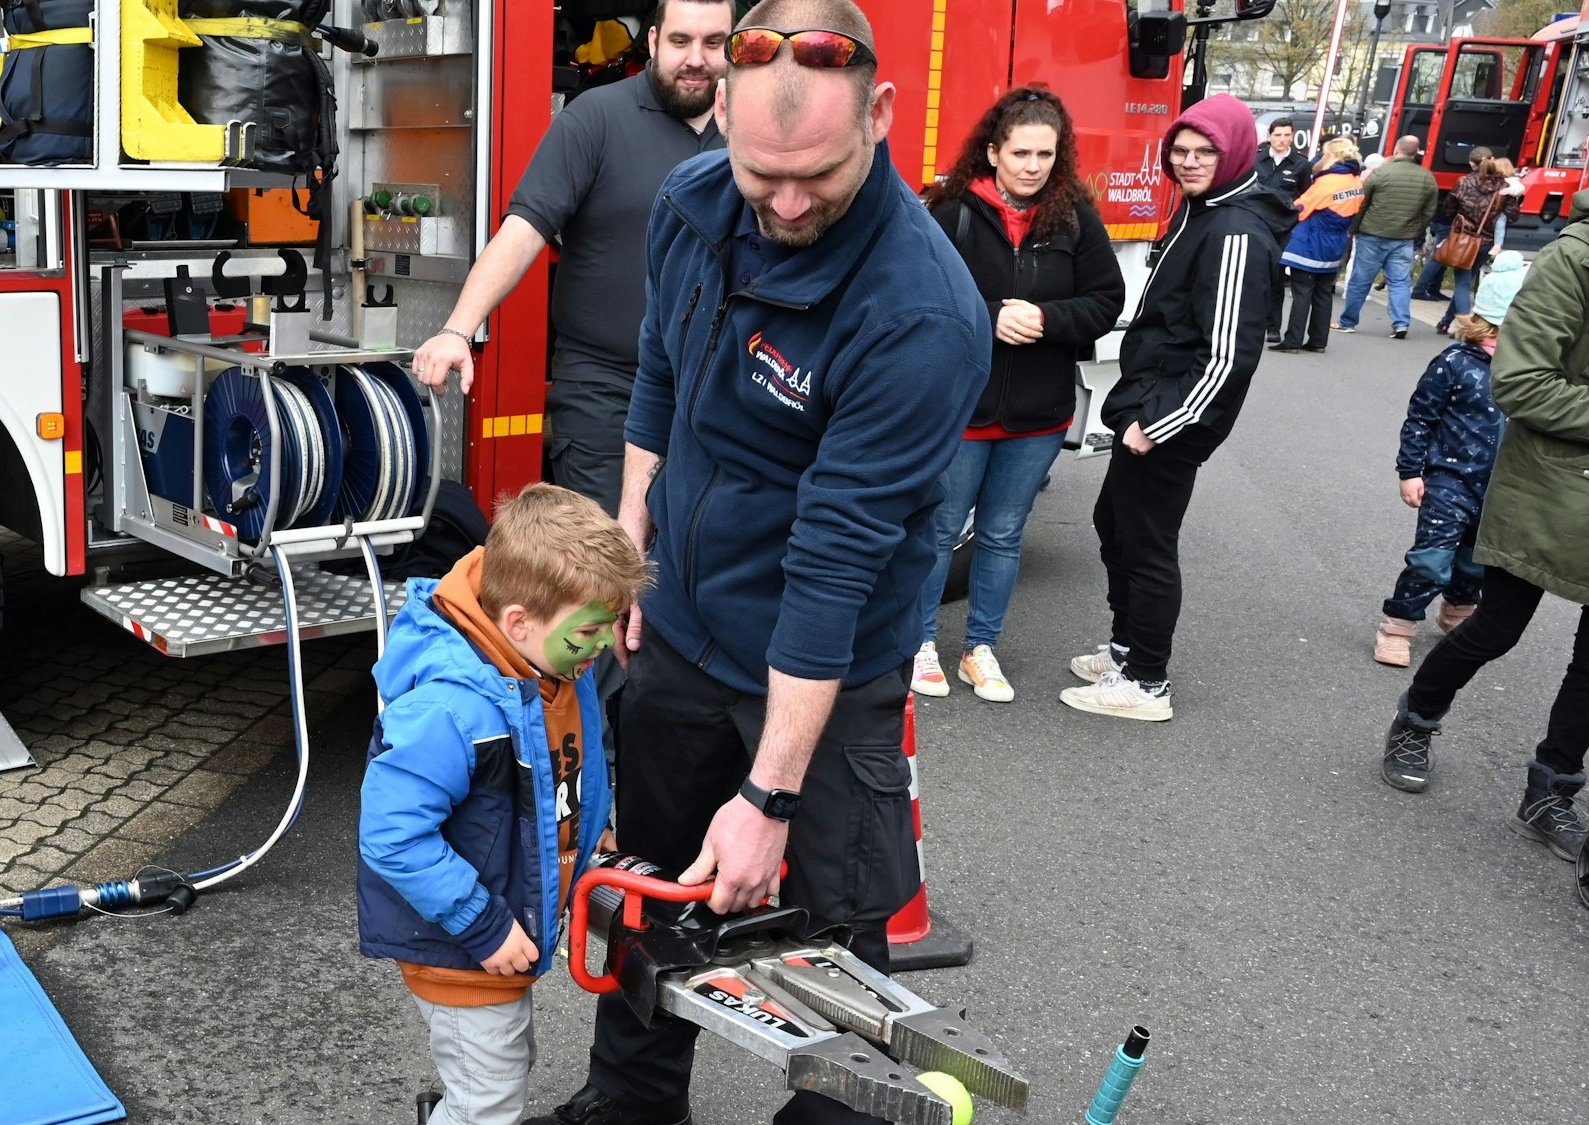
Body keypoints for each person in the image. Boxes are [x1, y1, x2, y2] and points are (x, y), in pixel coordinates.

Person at [530, 3, 990, 1123]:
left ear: (880, 115)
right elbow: (658, 367)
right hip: (683, 629)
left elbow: (833, 566)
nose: (786, 205)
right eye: (761, 175)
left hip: (825, 678)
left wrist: (768, 792)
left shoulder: (918, 312)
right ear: (720, 112)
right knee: (650, 891)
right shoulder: (694, 203)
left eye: (818, 178)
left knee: (836, 948)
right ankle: (628, 1109)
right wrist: (632, 529)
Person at [357, 483, 650, 1125]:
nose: (603, 644)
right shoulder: (452, 708)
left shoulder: (554, 663)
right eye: (591, 631)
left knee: (498, 1072)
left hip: (490, 936)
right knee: (488, 1098)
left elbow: (564, 763)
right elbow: (392, 836)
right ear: (518, 621)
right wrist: (482, 924)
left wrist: (587, 824)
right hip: (463, 947)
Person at [410, 0, 732, 516]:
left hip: (719, 394)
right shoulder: (597, 118)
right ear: (652, 42)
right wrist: (457, 330)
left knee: (695, 569)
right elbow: (524, 228)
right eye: (680, 41)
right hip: (607, 394)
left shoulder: (753, 132)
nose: (696, 58)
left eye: (713, 43)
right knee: (603, 573)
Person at [1058, 93, 1295, 722]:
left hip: (1170, 420)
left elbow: (1227, 355)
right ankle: (1125, 649)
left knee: (1147, 543)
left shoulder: (1237, 231)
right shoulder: (1200, 210)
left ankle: (1147, 683)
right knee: (1115, 525)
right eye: (1181, 151)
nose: (1189, 162)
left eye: (1204, 152)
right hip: (1149, 406)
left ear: (1235, 152)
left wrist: (1158, 428)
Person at [1378, 188, 1589, 869]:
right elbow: (1522, 383)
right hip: (1552, 489)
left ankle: (1551, 788)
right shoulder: (1572, 261)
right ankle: (1416, 720)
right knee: (1496, 627)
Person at [907, 86, 1123, 703]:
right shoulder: (950, 212)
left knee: (1002, 535)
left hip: (1038, 414)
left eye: (1045, 154)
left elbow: (1107, 301)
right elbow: (918, 296)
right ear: (993, 152)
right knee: (941, 528)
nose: (1033, 166)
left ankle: (981, 649)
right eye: (1021, 152)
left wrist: (1049, 320)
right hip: (963, 410)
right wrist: (989, 314)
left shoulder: (1076, 219)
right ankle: (920, 643)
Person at [1373, 251, 1526, 667]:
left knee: (1476, 559)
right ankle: (1399, 624)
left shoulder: (1529, 373)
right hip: (1449, 480)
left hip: (1502, 485)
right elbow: (1420, 419)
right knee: (1432, 559)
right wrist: (1410, 471)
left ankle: (1458, 608)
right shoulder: (1456, 364)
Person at [1336, 135, 1439, 339]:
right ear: (1416, 152)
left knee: (1360, 280)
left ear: (1396, 149)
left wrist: (1354, 228)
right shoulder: (1427, 177)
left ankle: (1348, 321)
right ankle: (1401, 323)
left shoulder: (1380, 173)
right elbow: (1429, 211)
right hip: (1404, 238)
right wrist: (1416, 230)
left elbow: (1362, 203)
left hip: (1372, 234)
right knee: (1400, 282)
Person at [1271, 136, 1363, 355]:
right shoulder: (1355, 182)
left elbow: (1299, 208)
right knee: (1322, 293)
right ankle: (1318, 341)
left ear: (1330, 157)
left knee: (1302, 291)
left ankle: (1292, 340)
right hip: (1336, 243)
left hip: (1311, 243)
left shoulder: (1327, 182)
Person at [1432, 150, 1511, 334]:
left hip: (1464, 239)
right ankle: (1445, 321)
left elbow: (1448, 209)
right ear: (1492, 160)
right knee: (1465, 280)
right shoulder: (1504, 186)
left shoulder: (1463, 182)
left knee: (1462, 283)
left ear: (1471, 164)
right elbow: (1512, 216)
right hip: (1487, 242)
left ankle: (1465, 327)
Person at [1412, 148, 1493, 304]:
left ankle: (1432, 289)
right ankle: (1421, 289)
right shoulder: (1485, 182)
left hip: (1447, 220)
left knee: (1444, 256)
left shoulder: (1456, 178)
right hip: (1451, 222)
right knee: (1439, 256)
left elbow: (1449, 203)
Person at [1255, 118, 1310, 345]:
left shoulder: (1300, 164)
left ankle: (1272, 327)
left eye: (1286, 135)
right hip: (1255, 224)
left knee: (1276, 280)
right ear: (1270, 136)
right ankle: (1249, 324)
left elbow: (1307, 197)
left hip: (1282, 230)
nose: (1282, 140)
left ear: (1292, 136)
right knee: (1253, 277)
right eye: (1278, 135)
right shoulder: (1255, 159)